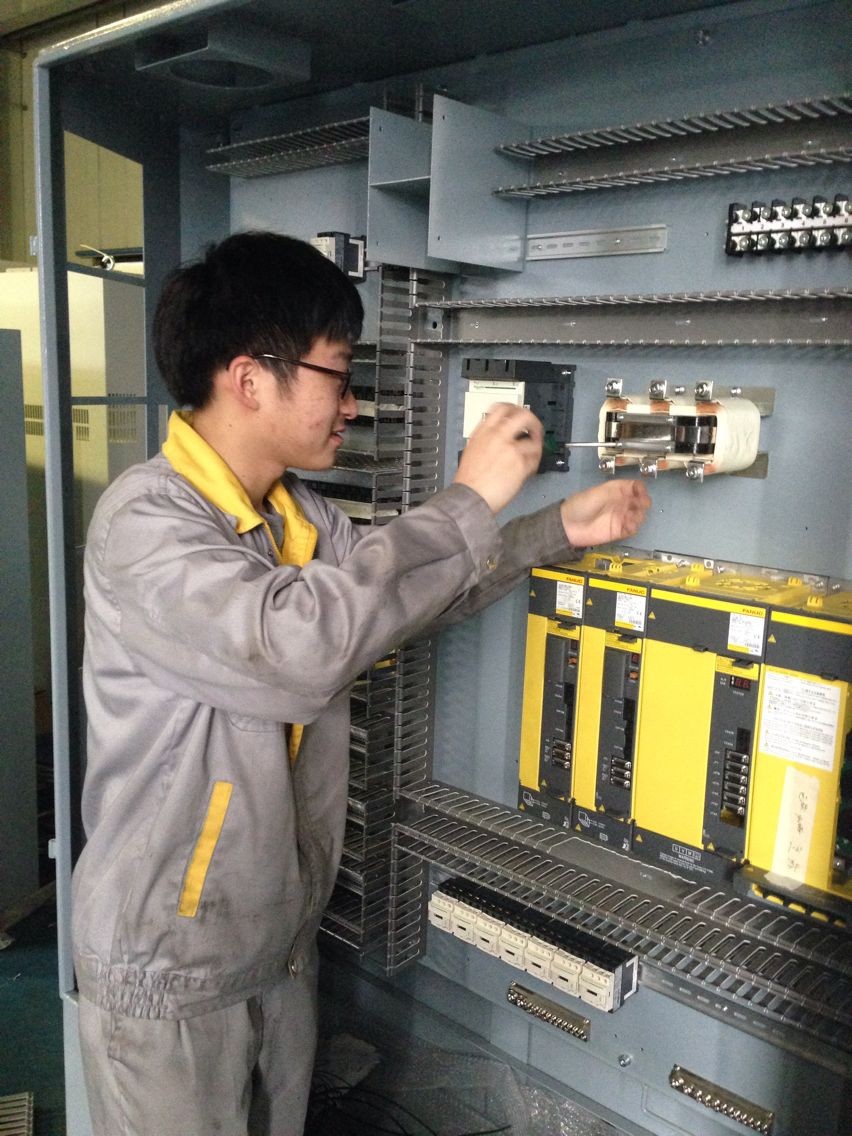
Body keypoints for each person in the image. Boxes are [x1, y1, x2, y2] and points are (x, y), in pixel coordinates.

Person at [73, 230, 651, 1136]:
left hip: (274, 949)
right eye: (338, 375)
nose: (352, 404)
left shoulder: (294, 518)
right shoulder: (146, 524)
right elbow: (299, 649)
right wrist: (466, 501)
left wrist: (554, 532)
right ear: (250, 378)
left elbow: (399, 603)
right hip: (169, 967)